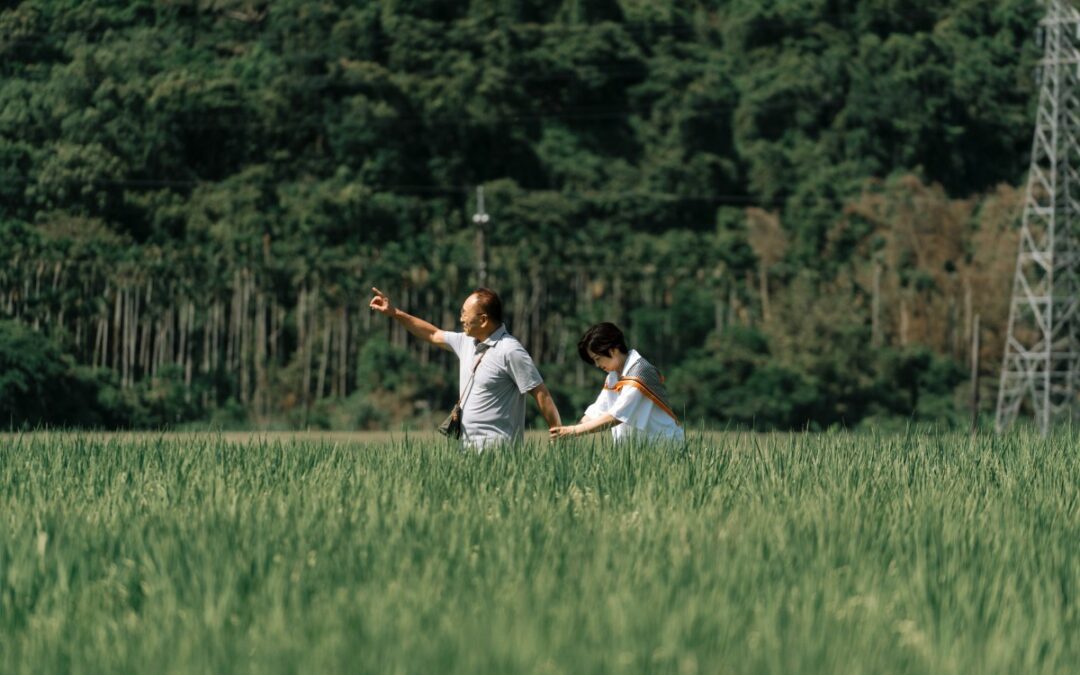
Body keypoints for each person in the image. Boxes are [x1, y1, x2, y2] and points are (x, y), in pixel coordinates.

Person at [368, 286, 561, 449]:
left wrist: (558, 436)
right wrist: (395, 313)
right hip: (466, 451)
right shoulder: (467, 342)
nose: (461, 319)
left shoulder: (510, 350)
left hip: (500, 454)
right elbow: (433, 334)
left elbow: (540, 393)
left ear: (483, 320)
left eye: (464, 314)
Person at [549, 322, 683, 442]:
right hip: (639, 452)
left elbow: (615, 416)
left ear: (613, 350)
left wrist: (573, 432)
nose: (597, 365)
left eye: (598, 358)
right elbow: (598, 410)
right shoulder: (613, 376)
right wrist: (568, 433)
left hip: (664, 445)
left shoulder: (639, 372)